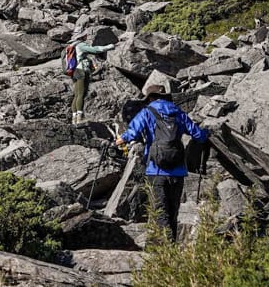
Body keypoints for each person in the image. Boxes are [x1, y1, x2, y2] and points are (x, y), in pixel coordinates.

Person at [115, 84, 209, 242]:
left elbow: (133, 132)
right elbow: (198, 135)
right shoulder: (177, 112)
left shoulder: (147, 112)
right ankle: (171, 250)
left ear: (150, 98)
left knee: (160, 211)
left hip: (156, 170)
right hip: (178, 170)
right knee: (173, 212)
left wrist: (118, 140)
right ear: (165, 96)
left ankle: (166, 249)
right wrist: (207, 133)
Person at [67, 33, 114, 124]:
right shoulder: (80, 45)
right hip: (81, 71)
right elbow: (95, 50)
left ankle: (74, 118)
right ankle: (80, 118)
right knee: (81, 94)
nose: (86, 36)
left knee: (77, 95)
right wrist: (110, 47)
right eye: (84, 35)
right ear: (80, 37)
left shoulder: (72, 45)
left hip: (74, 72)